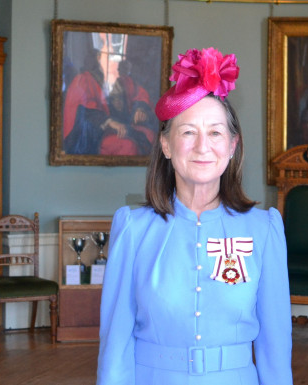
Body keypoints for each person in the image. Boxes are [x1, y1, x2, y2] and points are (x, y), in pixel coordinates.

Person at [97, 47, 293, 385]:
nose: (203, 146)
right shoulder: (132, 228)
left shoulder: (265, 229)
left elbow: (275, 345)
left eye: (215, 132)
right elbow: (115, 344)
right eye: (188, 132)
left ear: (232, 147)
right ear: (166, 145)